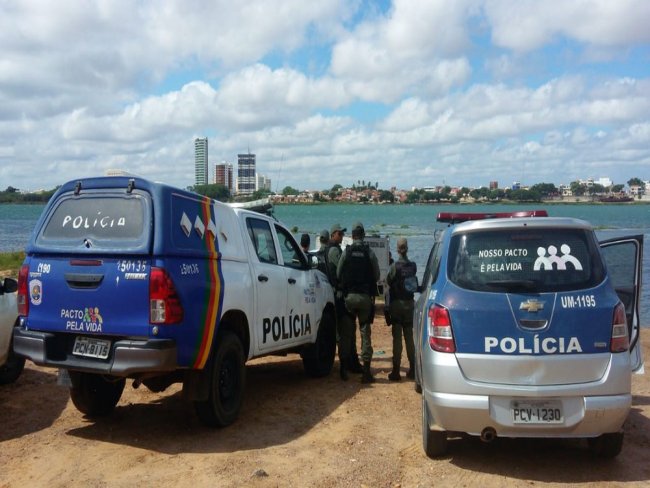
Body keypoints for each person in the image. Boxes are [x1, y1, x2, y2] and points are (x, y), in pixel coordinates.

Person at [337, 221, 380, 383]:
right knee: (365, 333)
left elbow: (339, 272)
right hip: (364, 298)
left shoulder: (346, 252)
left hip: (349, 298)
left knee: (347, 334)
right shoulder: (369, 252)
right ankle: (366, 372)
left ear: (353, 236)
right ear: (363, 235)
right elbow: (376, 274)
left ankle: (343, 368)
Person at [385, 237, 417, 381]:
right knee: (409, 337)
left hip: (397, 305)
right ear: (407, 248)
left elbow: (388, 281)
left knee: (397, 339)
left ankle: (396, 371)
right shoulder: (413, 266)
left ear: (397, 249)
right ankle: (413, 369)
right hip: (410, 304)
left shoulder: (394, 267)